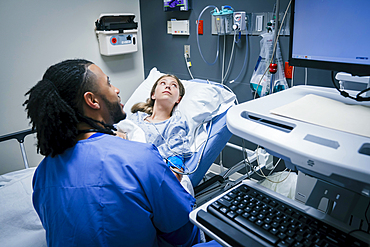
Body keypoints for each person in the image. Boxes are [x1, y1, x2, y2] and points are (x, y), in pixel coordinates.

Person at [23, 59, 200, 246]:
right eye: (108, 83)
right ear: (92, 100)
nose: (116, 90)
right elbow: (183, 234)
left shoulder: (42, 173)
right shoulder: (141, 158)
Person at [127, 75, 192, 181]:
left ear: (178, 99)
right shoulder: (137, 117)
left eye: (174, 85)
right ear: (153, 95)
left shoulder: (174, 124)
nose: (168, 87)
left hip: (140, 173)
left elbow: (176, 161)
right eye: (163, 83)